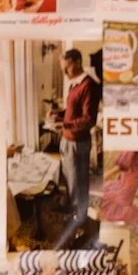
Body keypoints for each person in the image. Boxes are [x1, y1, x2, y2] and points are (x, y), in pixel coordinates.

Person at [48, 48, 99, 243]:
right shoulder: (73, 84)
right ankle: (74, 215)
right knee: (70, 181)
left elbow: (89, 120)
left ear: (77, 62)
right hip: (66, 140)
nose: (64, 73)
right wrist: (58, 114)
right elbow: (72, 111)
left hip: (78, 143)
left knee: (79, 184)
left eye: (66, 68)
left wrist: (66, 124)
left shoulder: (89, 86)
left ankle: (82, 224)